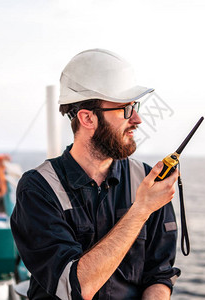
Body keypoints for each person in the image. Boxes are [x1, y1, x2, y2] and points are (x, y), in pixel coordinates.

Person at [11, 49, 180, 300]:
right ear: (87, 118)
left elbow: (159, 275)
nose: (137, 119)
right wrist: (141, 209)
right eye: (125, 109)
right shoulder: (38, 189)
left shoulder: (146, 180)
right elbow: (76, 288)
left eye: (135, 106)